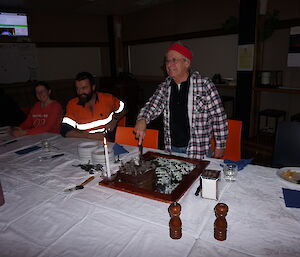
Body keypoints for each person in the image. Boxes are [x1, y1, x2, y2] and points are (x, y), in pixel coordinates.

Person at [134, 42, 228, 160]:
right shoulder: (164, 87)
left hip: (198, 151)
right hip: (171, 150)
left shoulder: (204, 85)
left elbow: (219, 117)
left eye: (174, 60)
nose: (169, 64)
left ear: (187, 63)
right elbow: (152, 106)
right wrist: (142, 118)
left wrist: (220, 145)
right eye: (167, 61)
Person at [61, 71, 127, 140]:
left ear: (93, 87)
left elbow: (124, 108)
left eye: (84, 88)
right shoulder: (72, 104)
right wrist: (89, 136)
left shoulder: (107, 99)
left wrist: (114, 120)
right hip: (84, 143)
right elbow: (65, 130)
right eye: (77, 88)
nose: (80, 92)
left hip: (108, 141)